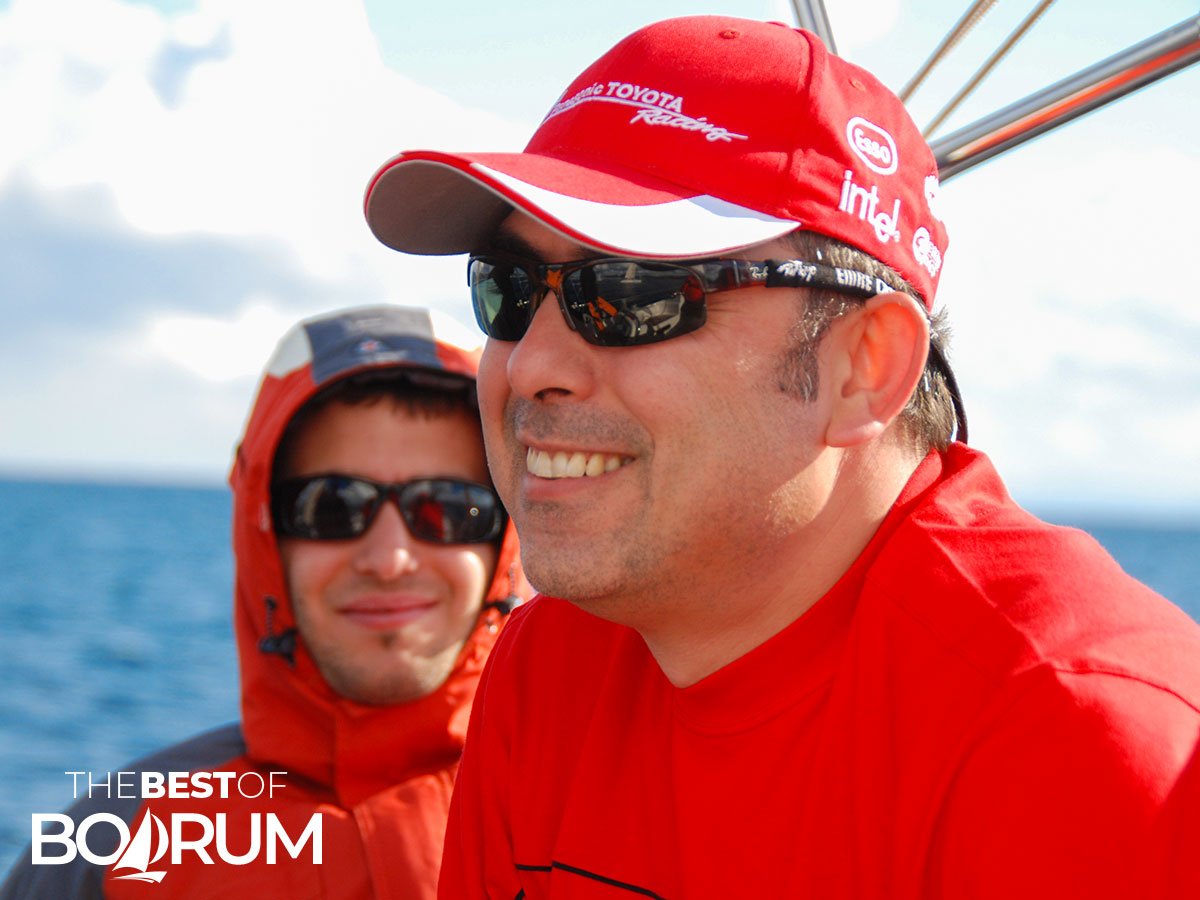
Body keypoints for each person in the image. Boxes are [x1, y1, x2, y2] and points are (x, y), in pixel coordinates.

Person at [360, 16, 1200, 899]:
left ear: (863, 370)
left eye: (634, 294)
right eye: (511, 289)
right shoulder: (548, 670)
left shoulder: (1080, 743)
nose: (532, 363)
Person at [1, 305, 525, 899]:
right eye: (332, 506)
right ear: (263, 533)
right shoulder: (114, 845)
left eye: (450, 509)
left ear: (503, 537)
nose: (389, 558)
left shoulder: (601, 810)